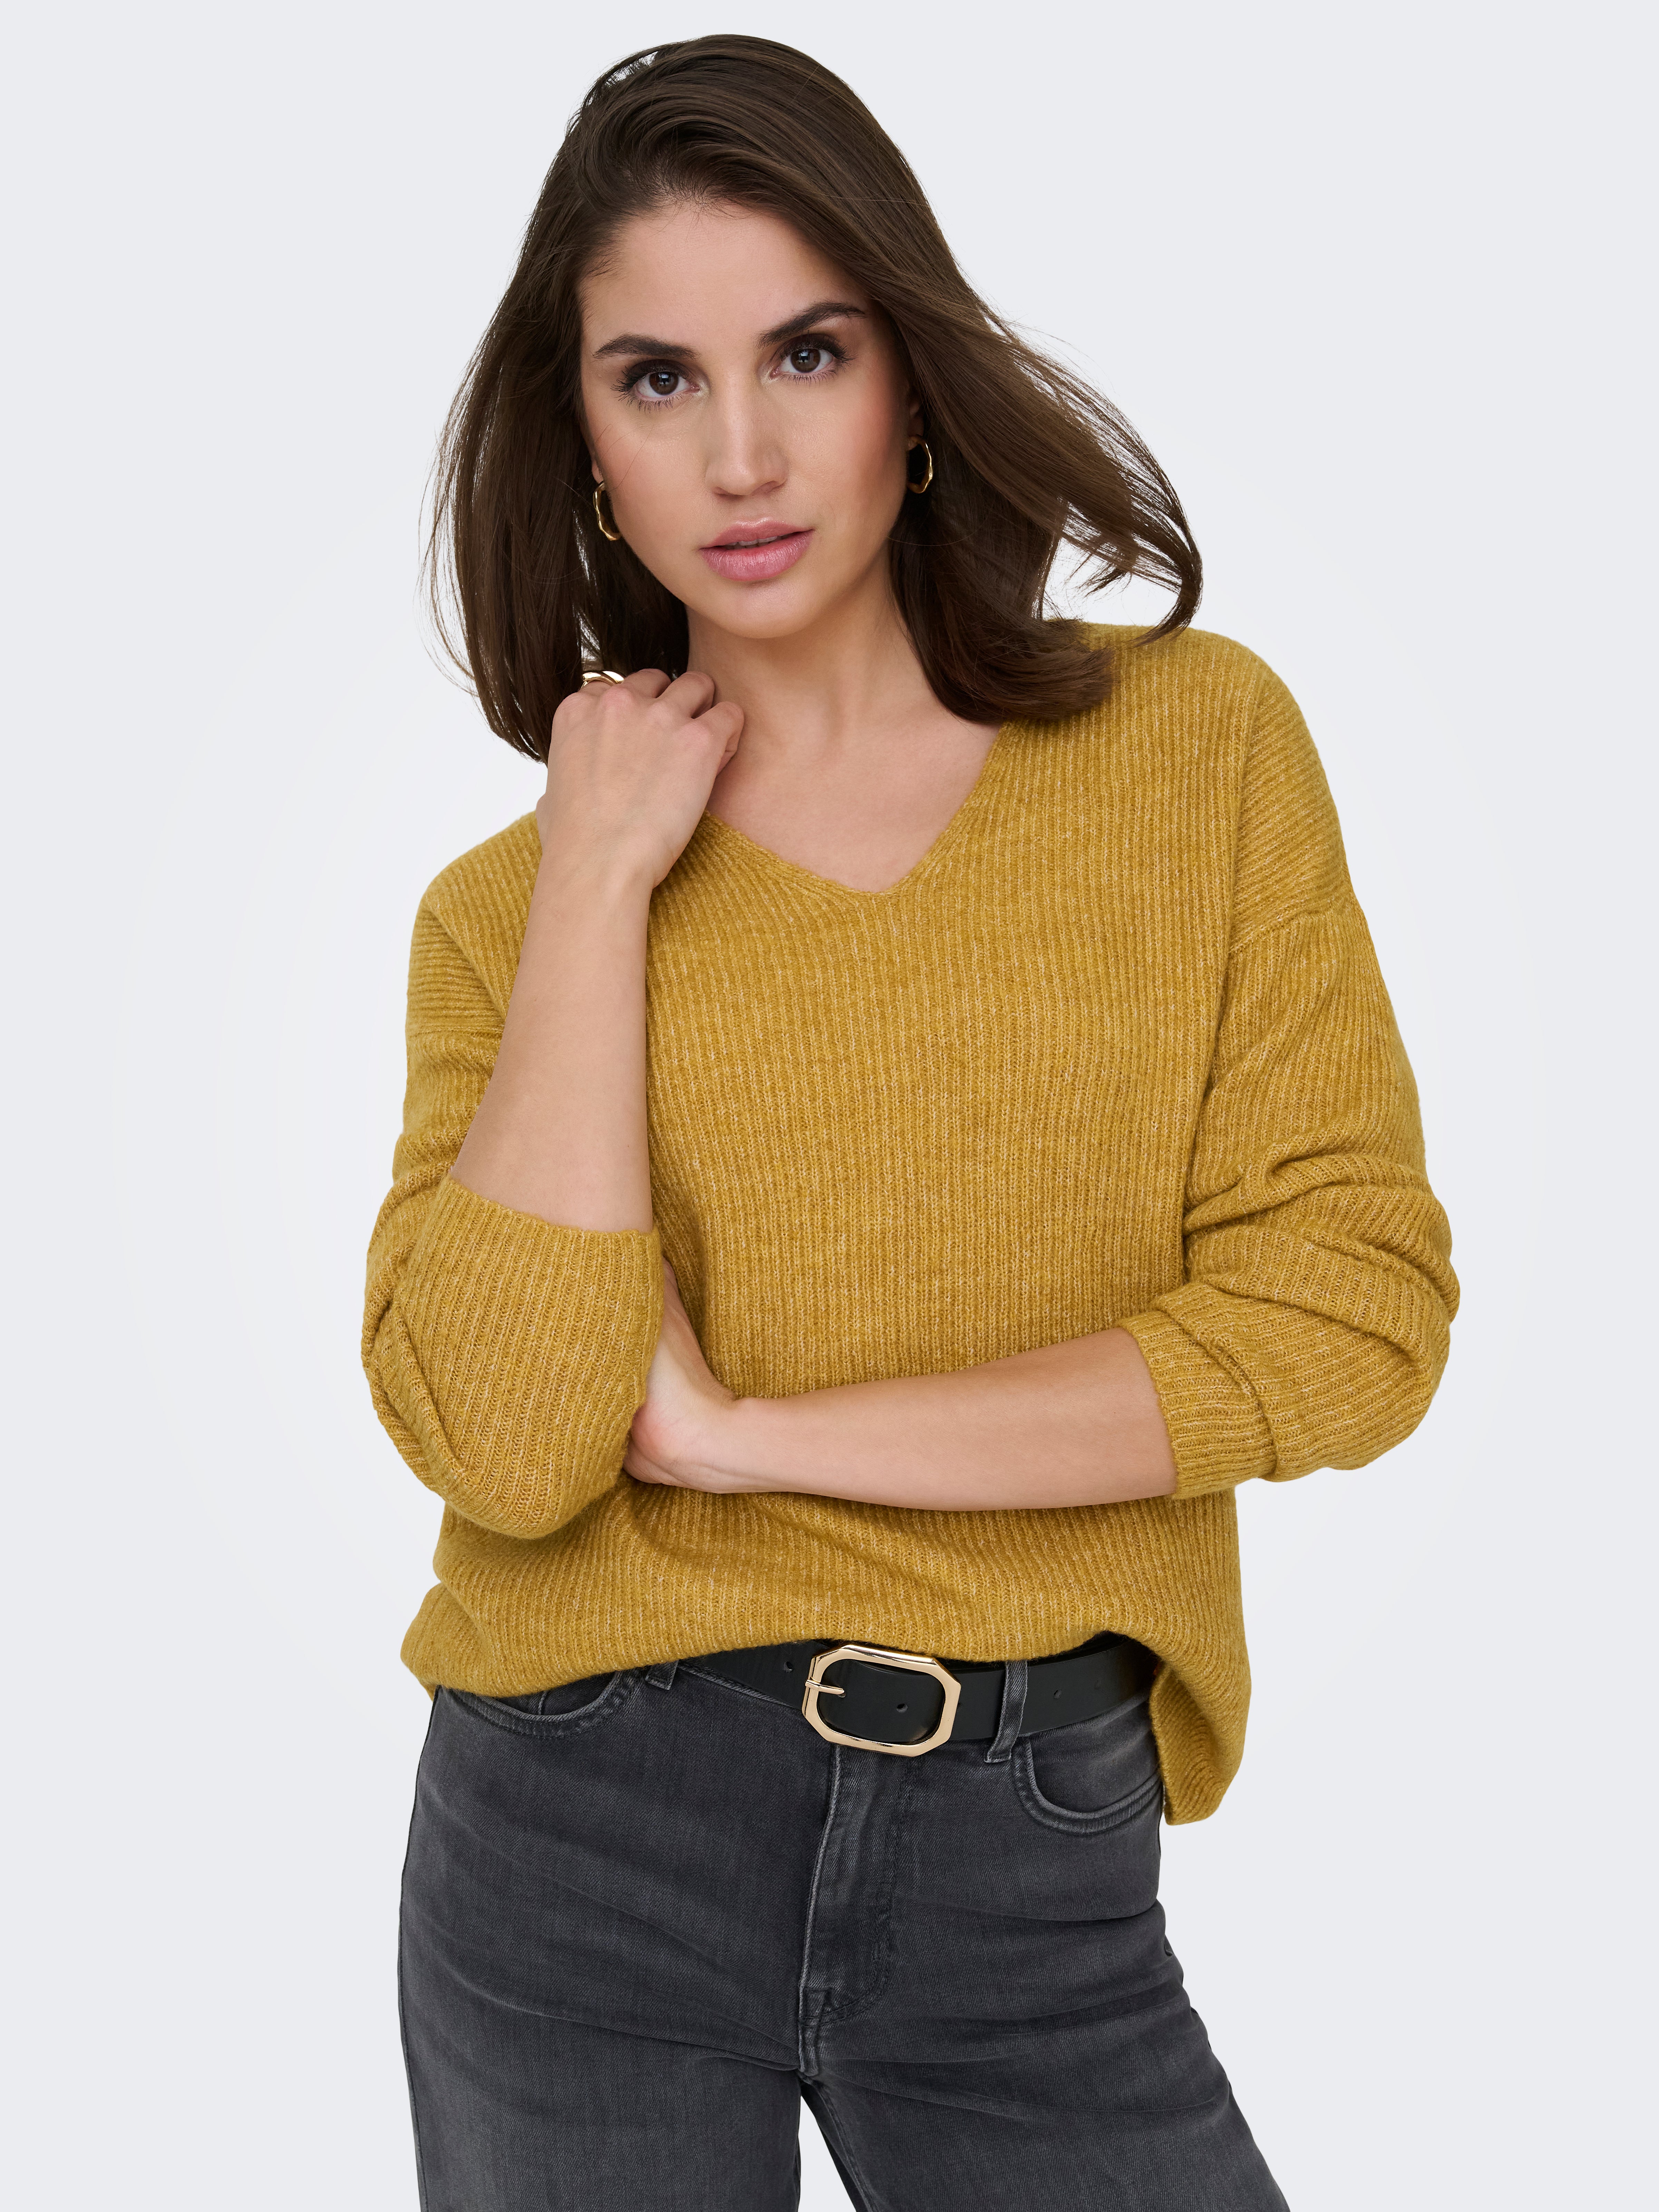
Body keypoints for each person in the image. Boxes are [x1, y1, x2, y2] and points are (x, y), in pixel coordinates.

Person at [363, 35, 1457, 2212]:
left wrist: (744, 1436)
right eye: (655, 379)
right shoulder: (509, 915)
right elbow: (503, 1436)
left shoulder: (1193, 753)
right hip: (581, 1839)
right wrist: (596, 881)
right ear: (584, 447)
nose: (741, 453)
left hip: (1025, 1845)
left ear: (911, 378)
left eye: (807, 350)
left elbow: (1351, 1318)